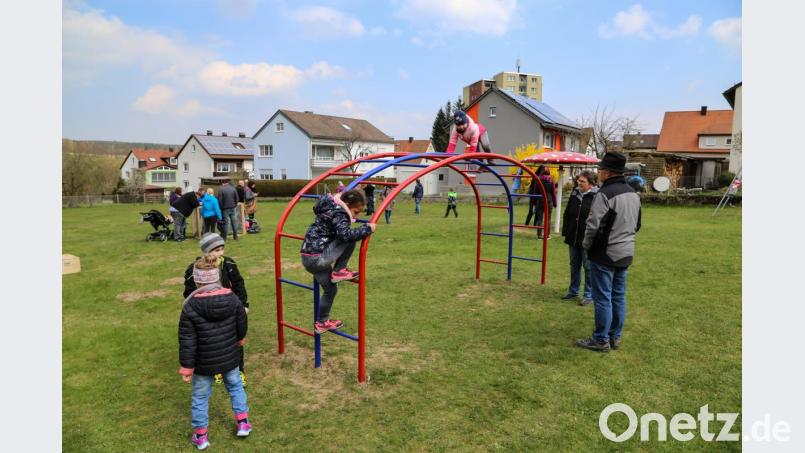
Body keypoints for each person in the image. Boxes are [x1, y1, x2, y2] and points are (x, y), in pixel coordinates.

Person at [179, 255, 251, 449]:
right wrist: (240, 340)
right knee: (235, 387)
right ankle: (243, 423)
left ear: (197, 281)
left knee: (200, 396)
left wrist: (187, 368)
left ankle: (201, 435)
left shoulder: (189, 306)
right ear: (217, 278)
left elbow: (187, 340)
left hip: (203, 363)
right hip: (230, 357)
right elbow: (241, 323)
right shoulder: (232, 298)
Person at [576, 152, 641, 353]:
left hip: (605, 253)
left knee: (603, 297)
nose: (598, 171)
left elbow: (593, 226)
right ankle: (614, 337)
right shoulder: (633, 193)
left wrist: (587, 245)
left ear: (608, 172)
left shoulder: (604, 194)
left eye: (601, 168)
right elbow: (637, 224)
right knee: (618, 296)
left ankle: (600, 339)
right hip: (626, 252)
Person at [300, 189, 376, 334]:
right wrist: (367, 229)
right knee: (349, 239)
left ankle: (322, 323)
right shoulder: (340, 213)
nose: (356, 216)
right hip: (319, 257)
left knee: (331, 290)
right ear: (347, 204)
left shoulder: (329, 206)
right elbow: (345, 235)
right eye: (356, 212)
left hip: (308, 259)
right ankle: (339, 270)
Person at [184, 233, 249, 385]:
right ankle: (216, 371)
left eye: (222, 249)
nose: (220, 253)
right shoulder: (195, 269)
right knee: (212, 342)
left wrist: (244, 305)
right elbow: (189, 292)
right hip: (206, 313)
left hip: (229, 310)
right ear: (206, 252)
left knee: (234, 340)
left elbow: (239, 284)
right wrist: (194, 309)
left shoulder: (229, 264)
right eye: (216, 250)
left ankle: (239, 370)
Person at [561, 171, 598, 306]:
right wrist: (566, 231)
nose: (579, 183)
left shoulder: (597, 196)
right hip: (573, 236)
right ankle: (573, 291)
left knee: (588, 267)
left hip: (588, 238)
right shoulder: (575, 193)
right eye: (579, 180)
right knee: (574, 265)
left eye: (583, 181)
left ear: (591, 184)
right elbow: (567, 213)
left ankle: (588, 295)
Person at [534, 166, 557, 239]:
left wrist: (534, 202)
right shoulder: (551, 180)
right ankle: (547, 235)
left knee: (539, 219)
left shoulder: (538, 179)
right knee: (548, 218)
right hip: (549, 201)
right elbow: (553, 192)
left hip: (540, 200)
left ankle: (539, 235)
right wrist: (555, 203)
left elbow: (535, 192)